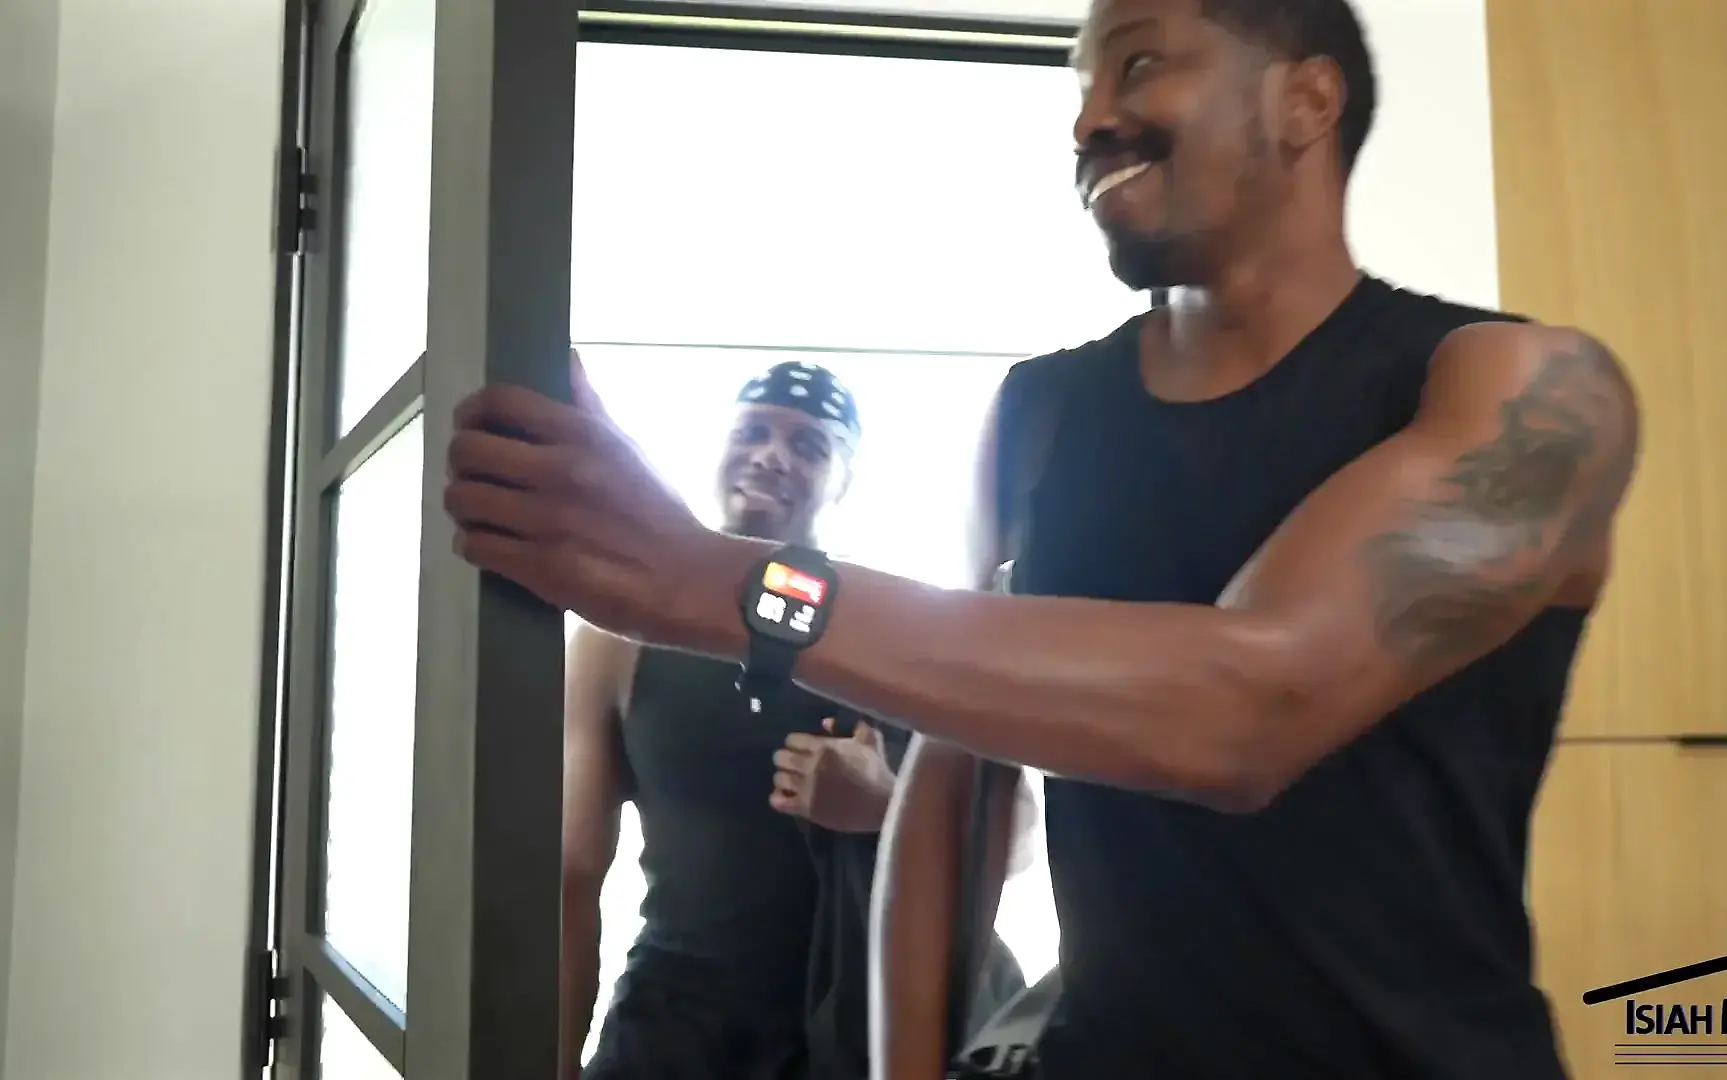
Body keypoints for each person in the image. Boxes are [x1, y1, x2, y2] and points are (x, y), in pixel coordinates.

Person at [442, 0, 1642, 1073]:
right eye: (1082, 86)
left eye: (1140, 65)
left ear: (1305, 99)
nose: (1090, 121)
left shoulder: (1526, 394)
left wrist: (723, 583)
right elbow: (958, 776)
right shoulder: (1041, 411)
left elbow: (1248, 708)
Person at [559, 361, 1030, 1080]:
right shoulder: (617, 640)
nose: (771, 455)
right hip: (676, 1038)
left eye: (809, 445)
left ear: (843, 481)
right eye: (752, 431)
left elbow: (1017, 835)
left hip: (866, 1040)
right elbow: (570, 876)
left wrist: (887, 806)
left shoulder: (895, 627)